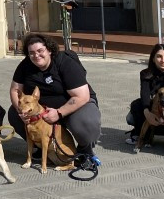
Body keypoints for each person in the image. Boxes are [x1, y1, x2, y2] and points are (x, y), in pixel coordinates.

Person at [8, 33, 101, 166]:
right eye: (31, 53)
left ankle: (84, 150)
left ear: (49, 50)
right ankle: (42, 146)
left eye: (40, 51)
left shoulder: (65, 63)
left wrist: (58, 113)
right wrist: (20, 112)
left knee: (87, 122)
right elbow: (14, 89)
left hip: (74, 105)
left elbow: (82, 96)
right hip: (42, 111)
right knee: (13, 114)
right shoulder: (25, 66)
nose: (36, 55)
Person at [125, 43, 164, 146]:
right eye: (159, 56)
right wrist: (147, 113)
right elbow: (144, 94)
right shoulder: (145, 74)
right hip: (153, 109)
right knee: (136, 105)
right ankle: (140, 135)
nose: (163, 60)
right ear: (153, 59)